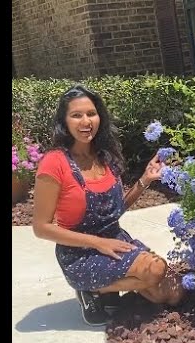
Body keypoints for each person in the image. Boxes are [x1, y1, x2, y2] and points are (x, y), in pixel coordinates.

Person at [32, 84, 185, 326]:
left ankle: (109, 285)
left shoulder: (105, 156)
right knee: (155, 270)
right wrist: (99, 243)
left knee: (173, 294)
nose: (86, 121)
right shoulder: (54, 163)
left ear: (100, 117)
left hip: (116, 241)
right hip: (79, 253)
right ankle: (91, 290)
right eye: (76, 115)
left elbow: (114, 211)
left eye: (91, 114)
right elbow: (41, 227)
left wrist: (144, 180)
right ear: (64, 121)